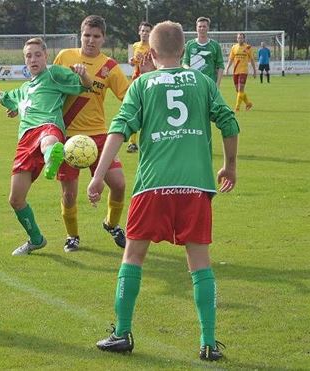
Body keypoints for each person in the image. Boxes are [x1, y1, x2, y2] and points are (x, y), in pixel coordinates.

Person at [87, 21, 239, 361]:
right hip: (195, 186)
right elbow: (229, 122)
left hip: (152, 186)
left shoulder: (142, 84)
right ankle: (208, 343)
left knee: (133, 257)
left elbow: (118, 130)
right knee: (200, 263)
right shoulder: (201, 82)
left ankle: (122, 333)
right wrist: (230, 166)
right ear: (183, 51)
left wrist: (98, 176)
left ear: (151, 54)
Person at [0, 37, 92, 256]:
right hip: (25, 141)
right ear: (25, 60)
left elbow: (86, 86)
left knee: (48, 140)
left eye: (37, 54)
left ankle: (52, 157)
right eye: (28, 56)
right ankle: (36, 239)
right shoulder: (22, 90)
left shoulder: (54, 74)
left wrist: (83, 72)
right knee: (16, 199)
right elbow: (0, 96)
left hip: (49, 127)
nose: (33, 59)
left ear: (45, 56)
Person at [53, 15, 130, 253]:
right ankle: (72, 236)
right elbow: (50, 88)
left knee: (119, 184)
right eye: (87, 35)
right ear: (80, 34)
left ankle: (111, 224)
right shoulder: (65, 57)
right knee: (69, 194)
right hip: (68, 137)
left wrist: (144, 76)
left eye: (96, 36)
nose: (91, 40)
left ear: (103, 38)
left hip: (98, 136)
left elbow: (129, 97)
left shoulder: (110, 67)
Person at [126, 21, 153, 153]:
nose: (145, 33)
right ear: (139, 32)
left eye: (147, 31)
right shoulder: (136, 45)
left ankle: (150, 141)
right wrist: (132, 61)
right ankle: (132, 143)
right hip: (136, 81)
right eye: (143, 31)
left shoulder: (153, 46)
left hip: (150, 82)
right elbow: (132, 63)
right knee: (135, 110)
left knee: (149, 111)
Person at [182, 17, 224, 87]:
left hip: (210, 83)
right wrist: (189, 70)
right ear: (196, 28)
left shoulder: (215, 45)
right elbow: (185, 63)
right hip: (193, 83)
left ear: (208, 28)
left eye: (204, 26)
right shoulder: (190, 44)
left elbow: (220, 66)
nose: (202, 29)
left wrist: (217, 84)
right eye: (200, 26)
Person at [225, 33, 257, 112]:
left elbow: (252, 60)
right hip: (235, 71)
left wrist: (255, 71)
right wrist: (227, 68)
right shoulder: (234, 47)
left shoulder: (248, 47)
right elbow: (231, 59)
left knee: (240, 89)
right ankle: (248, 103)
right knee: (238, 90)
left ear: (244, 39)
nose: (240, 39)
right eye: (239, 38)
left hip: (243, 71)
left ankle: (237, 108)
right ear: (237, 39)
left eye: (241, 38)